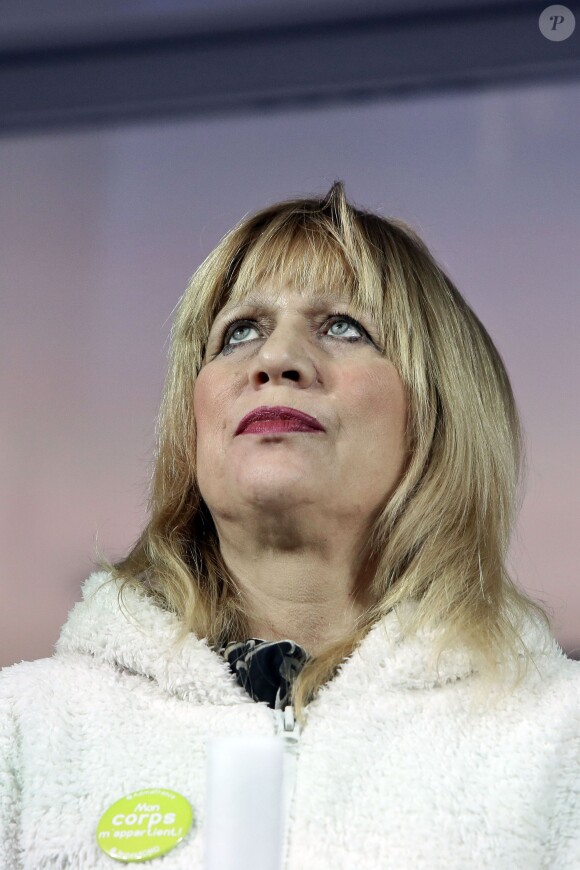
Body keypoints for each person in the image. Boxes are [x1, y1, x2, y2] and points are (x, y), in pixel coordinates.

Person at [1, 182, 579, 868]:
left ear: (437, 414)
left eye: (343, 326)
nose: (275, 361)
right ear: (194, 427)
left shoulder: (560, 740)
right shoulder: (24, 735)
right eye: (240, 331)